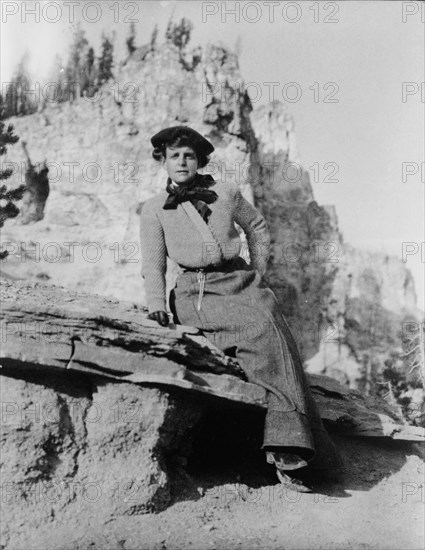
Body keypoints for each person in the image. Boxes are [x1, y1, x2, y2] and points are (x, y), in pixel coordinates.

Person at [140, 126, 342, 491]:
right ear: (164, 162)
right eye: (174, 156)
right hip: (196, 293)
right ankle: (287, 444)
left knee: (276, 329)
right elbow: (153, 265)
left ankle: (301, 444)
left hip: (240, 282)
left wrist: (258, 272)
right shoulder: (154, 209)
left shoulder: (227, 193)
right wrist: (156, 304)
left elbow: (258, 227)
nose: (182, 162)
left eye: (189, 156)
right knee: (260, 330)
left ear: (200, 160)